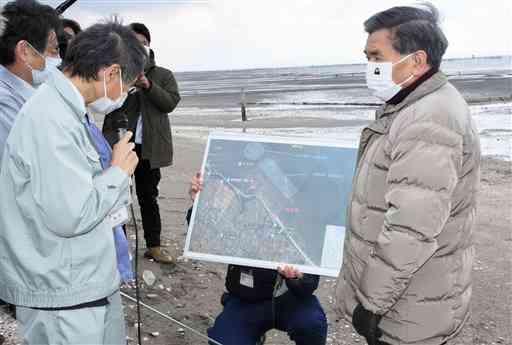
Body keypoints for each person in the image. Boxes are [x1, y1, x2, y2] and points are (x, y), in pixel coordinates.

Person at [335, 3, 481, 345]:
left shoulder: (429, 119)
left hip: (409, 310)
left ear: (416, 60)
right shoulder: (409, 107)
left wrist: (371, 304)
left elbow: (411, 228)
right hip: (410, 301)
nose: (370, 67)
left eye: (376, 57)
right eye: (367, 58)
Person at [0, 20, 146, 344]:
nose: (124, 95)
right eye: (128, 86)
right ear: (111, 74)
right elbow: (71, 214)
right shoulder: (51, 119)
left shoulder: (67, 111)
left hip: (85, 282)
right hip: (64, 293)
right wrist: (118, 173)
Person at [187, 173, 328, 345]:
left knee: (312, 324)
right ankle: (253, 336)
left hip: (290, 300)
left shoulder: (303, 220)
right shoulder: (241, 208)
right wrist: (199, 203)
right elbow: (208, 231)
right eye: (260, 183)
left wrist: (297, 278)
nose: (265, 190)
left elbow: (309, 285)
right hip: (245, 299)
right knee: (223, 341)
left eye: (274, 186)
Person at [103, 22, 181, 264]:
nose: (139, 47)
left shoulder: (164, 75)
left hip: (150, 147)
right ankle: (120, 248)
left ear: (149, 45)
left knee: (149, 196)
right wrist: (126, 85)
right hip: (121, 145)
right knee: (118, 198)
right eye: (133, 43)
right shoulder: (114, 72)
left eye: (143, 43)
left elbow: (170, 103)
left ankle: (154, 246)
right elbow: (106, 103)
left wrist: (147, 85)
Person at [0, 0, 61, 165]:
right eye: (54, 49)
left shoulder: (32, 94)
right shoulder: (4, 104)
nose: (58, 59)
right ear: (25, 51)